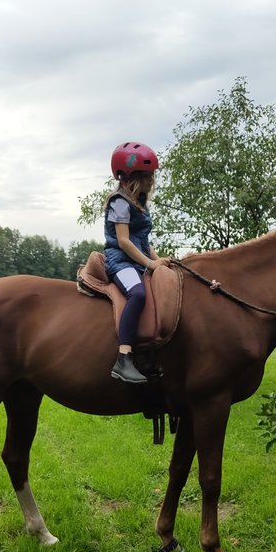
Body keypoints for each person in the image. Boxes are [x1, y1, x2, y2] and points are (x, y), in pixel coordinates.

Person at [104, 141, 163, 383]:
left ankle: (150, 354)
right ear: (129, 178)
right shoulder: (119, 202)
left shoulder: (140, 204)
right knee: (137, 294)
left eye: (152, 175)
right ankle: (124, 357)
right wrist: (150, 264)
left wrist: (160, 261)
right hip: (121, 262)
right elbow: (124, 241)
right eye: (145, 175)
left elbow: (143, 241)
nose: (151, 180)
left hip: (138, 261)